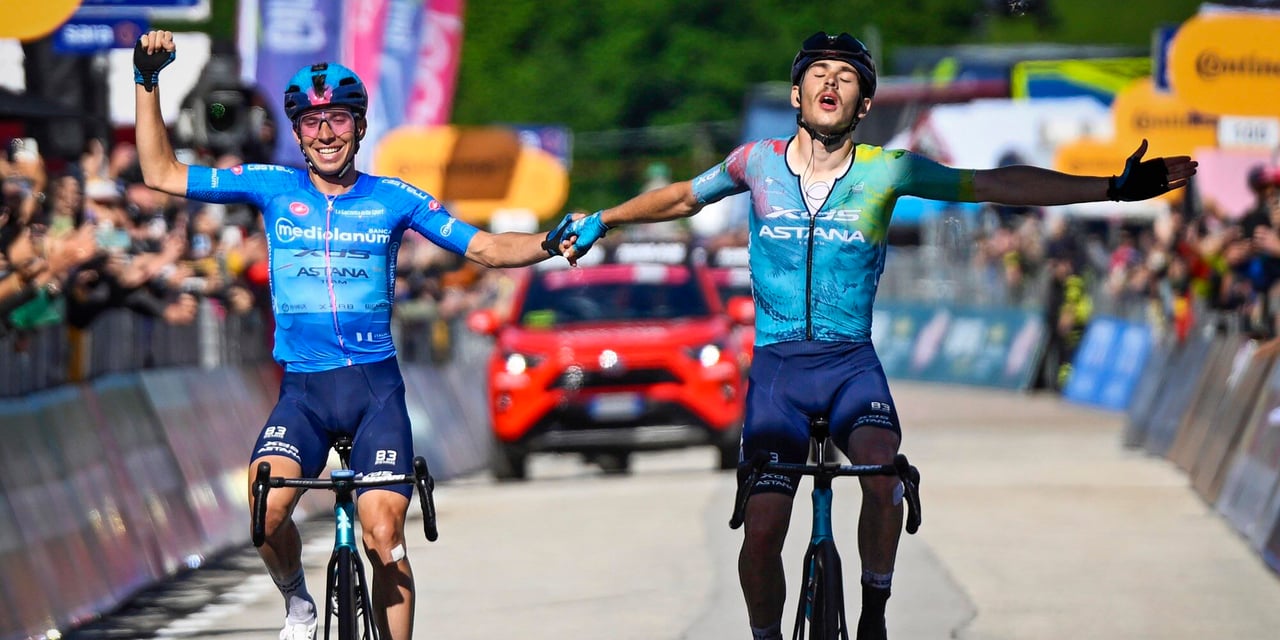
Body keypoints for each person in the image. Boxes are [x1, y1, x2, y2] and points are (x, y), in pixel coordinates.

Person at [554, 31, 1196, 640]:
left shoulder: (888, 171)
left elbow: (998, 184)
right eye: (817, 74)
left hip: (850, 366)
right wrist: (602, 221)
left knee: (884, 479)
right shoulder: (754, 164)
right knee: (762, 531)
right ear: (796, 94)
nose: (830, 83)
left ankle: (875, 612)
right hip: (778, 371)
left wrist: (1112, 188)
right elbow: (680, 200)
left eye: (846, 77)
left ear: (863, 103)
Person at [132, 31, 572, 640]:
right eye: (311, 123)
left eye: (338, 118)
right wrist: (147, 81)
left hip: (375, 396)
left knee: (384, 536)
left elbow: (490, 248)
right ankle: (299, 605)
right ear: (297, 132)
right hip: (304, 394)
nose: (326, 133)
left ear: (359, 127)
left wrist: (549, 242)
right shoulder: (271, 186)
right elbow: (159, 171)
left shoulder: (393, 198)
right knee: (266, 509)